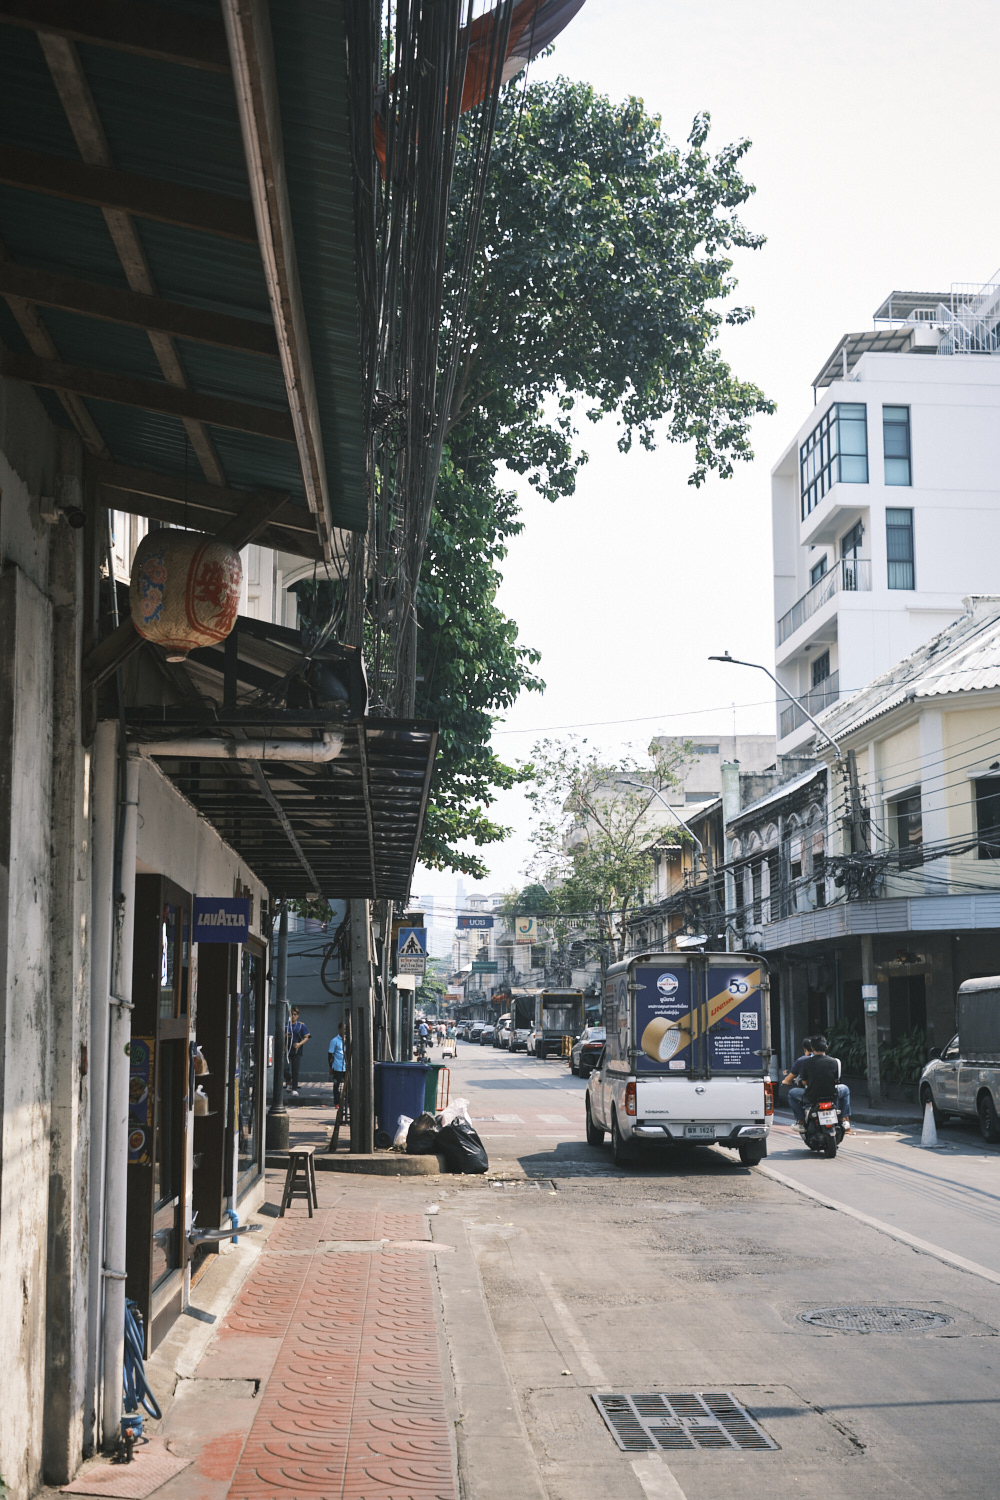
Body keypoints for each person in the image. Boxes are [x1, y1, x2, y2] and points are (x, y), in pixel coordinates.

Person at [784, 1036, 851, 1131]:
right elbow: (836, 1080)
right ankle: (843, 1118)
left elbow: (804, 1082)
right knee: (845, 1089)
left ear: (812, 1048)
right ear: (826, 1047)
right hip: (832, 1095)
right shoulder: (835, 1062)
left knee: (791, 1094)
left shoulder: (806, 1062)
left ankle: (801, 1122)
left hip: (811, 1096)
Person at [285, 1006, 310, 1097]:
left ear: (297, 1015)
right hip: (287, 1050)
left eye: (295, 1014)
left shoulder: (301, 1025)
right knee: (284, 1068)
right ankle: (289, 1081)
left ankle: (294, 1089)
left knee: (295, 1070)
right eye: (291, 1014)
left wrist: (300, 1044)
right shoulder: (286, 1025)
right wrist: (284, 1036)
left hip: (296, 1051)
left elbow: (306, 1037)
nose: (293, 1016)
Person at [328, 1021, 346, 1106]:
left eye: (346, 1029)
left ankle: (348, 1102)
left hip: (346, 1067)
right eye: (343, 1029)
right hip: (337, 1067)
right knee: (336, 1085)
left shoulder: (348, 1040)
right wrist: (330, 1067)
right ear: (339, 1029)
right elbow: (330, 1054)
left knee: (348, 1085)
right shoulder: (334, 1041)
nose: (345, 1031)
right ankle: (337, 1102)